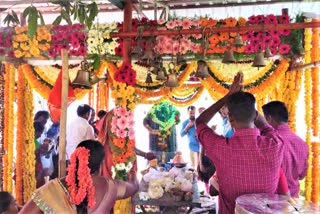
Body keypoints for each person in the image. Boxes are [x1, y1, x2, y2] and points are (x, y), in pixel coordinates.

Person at [196, 72, 286, 214]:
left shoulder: (220, 147)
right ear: (255, 114)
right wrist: (248, 107)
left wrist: (227, 97)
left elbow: (200, 122)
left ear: (230, 118)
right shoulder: (275, 144)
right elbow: (265, 127)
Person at [20, 140, 139, 214]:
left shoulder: (52, 188)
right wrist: (133, 174)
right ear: (101, 163)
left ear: (75, 159)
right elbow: (133, 187)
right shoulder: (111, 186)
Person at [262, 101, 309, 198]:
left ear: (269, 118)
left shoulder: (268, 140)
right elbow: (302, 176)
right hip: (293, 200)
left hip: (272, 201)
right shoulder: (302, 143)